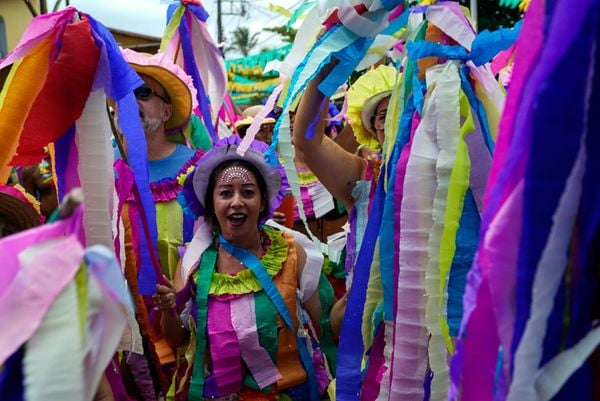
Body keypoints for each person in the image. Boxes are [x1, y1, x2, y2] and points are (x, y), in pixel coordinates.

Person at [153, 135, 346, 400]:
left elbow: (327, 325)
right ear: (211, 204)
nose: (236, 202)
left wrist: (356, 291)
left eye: (247, 192)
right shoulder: (192, 263)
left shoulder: (291, 252)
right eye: (225, 193)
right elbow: (177, 339)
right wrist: (168, 311)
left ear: (263, 201)